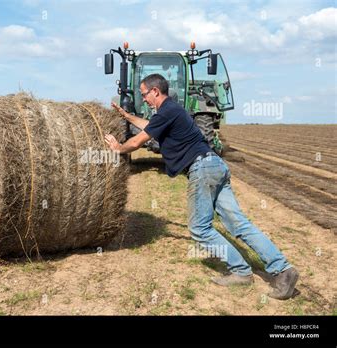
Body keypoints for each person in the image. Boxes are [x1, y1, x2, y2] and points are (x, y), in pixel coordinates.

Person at [104, 73, 299, 300]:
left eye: (144, 94)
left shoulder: (166, 111)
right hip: (215, 165)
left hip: (203, 170)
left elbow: (138, 141)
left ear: (155, 91)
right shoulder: (171, 111)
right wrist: (128, 116)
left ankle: (241, 271)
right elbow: (150, 127)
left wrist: (118, 148)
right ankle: (283, 270)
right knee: (239, 224)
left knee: (200, 229)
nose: (144, 98)